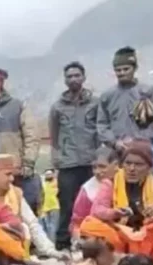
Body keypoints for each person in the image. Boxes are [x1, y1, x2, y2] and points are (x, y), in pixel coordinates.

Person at [50, 61, 99, 250]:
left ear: (84, 77)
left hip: (91, 163)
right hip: (68, 164)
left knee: (92, 204)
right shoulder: (57, 107)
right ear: (65, 80)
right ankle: (62, 244)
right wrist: (58, 159)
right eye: (69, 76)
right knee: (66, 205)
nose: (73, 79)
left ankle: (91, 242)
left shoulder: (95, 103)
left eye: (77, 75)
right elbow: (54, 135)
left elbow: (100, 129)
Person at [0, 67, 40, 213]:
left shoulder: (18, 106)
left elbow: (32, 136)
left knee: (22, 210)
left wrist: (28, 163)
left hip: (17, 171)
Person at [97, 46, 153, 147]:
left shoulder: (148, 91)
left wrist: (144, 138)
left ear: (135, 69)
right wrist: (114, 142)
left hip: (145, 149)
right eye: (118, 70)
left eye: (126, 69)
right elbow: (102, 124)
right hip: (118, 150)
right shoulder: (107, 95)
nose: (122, 73)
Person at [91, 139, 153, 231]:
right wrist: (114, 213)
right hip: (119, 230)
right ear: (122, 164)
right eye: (128, 163)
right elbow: (96, 211)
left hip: (149, 231)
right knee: (90, 225)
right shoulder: (110, 182)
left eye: (138, 164)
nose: (132, 168)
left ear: (149, 168)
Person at [71, 147, 119, 240]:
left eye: (102, 166)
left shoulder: (127, 181)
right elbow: (77, 223)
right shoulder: (87, 190)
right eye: (94, 167)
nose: (97, 172)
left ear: (115, 165)